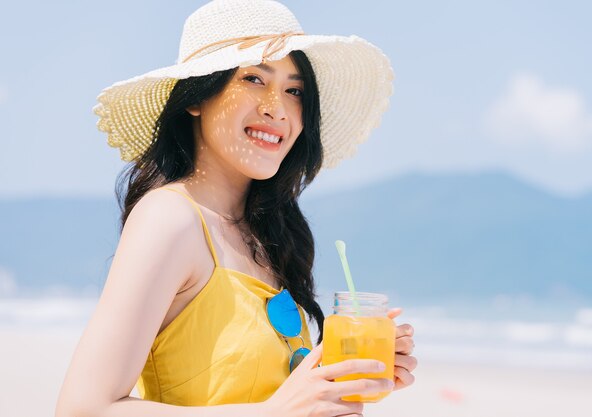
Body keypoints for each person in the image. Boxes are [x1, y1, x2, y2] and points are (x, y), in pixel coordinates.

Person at [56, 1, 417, 416]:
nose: (276, 108)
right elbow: (83, 409)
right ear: (196, 95)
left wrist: (337, 376)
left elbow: (261, 391)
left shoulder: (267, 235)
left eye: (294, 90)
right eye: (253, 79)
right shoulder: (170, 219)